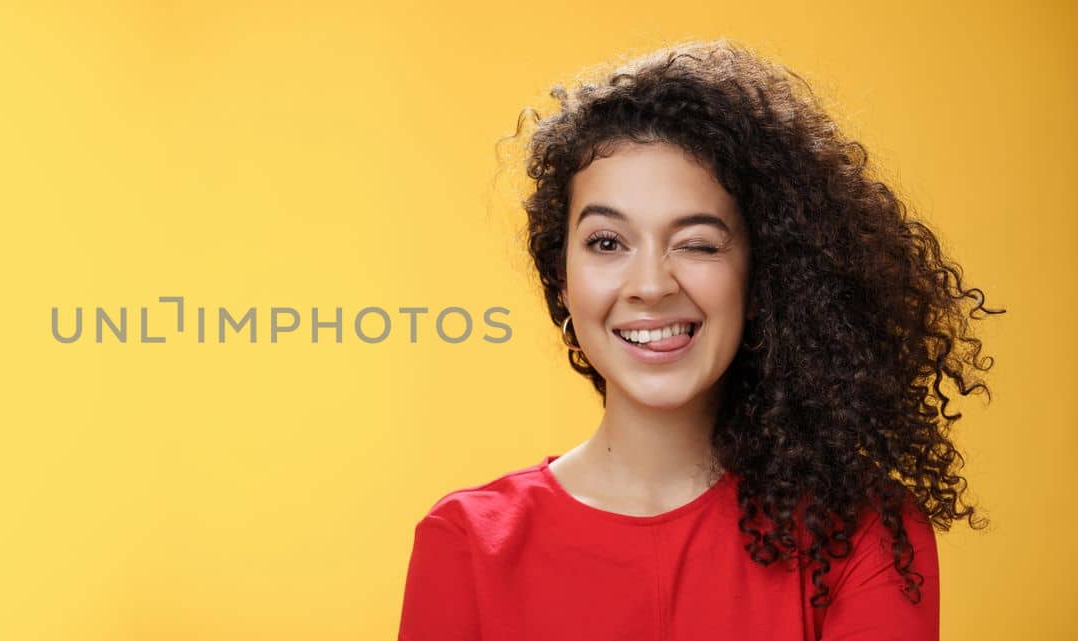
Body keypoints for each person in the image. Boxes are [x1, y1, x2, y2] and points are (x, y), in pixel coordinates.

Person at [398, 39, 1001, 641]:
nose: (652, 285)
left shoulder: (863, 532)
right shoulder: (466, 543)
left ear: (764, 273)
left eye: (698, 243)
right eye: (608, 243)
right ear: (562, 276)